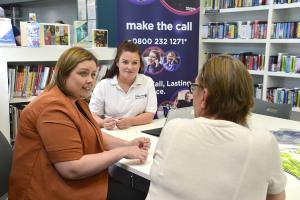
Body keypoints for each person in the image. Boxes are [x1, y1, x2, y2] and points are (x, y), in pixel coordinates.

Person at [9, 47, 151, 200]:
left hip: (63, 183)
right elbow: (71, 168)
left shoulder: (74, 100)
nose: (90, 80)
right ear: (63, 73)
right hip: (47, 191)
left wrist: (127, 144)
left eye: (93, 74)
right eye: (83, 73)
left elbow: (91, 133)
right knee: (141, 194)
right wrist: (122, 152)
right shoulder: (51, 108)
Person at [146, 55, 286, 200]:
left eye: (195, 88)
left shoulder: (173, 129)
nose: (192, 95)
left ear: (204, 97)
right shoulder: (263, 144)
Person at [89, 41, 157, 130]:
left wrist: (130, 121)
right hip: (112, 134)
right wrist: (103, 123)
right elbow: (92, 115)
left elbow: (150, 115)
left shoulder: (147, 82)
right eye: (125, 62)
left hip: (139, 132)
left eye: (135, 63)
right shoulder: (103, 85)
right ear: (117, 63)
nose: (130, 67)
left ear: (140, 64)